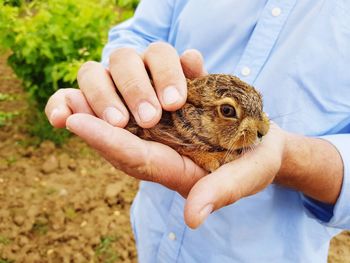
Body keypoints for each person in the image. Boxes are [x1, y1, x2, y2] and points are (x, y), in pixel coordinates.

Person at [45, 1, 350, 262]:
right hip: (152, 232)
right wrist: (129, 77)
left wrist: (292, 158)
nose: (262, 130)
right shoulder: (175, 125)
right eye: (228, 112)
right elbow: (139, 33)